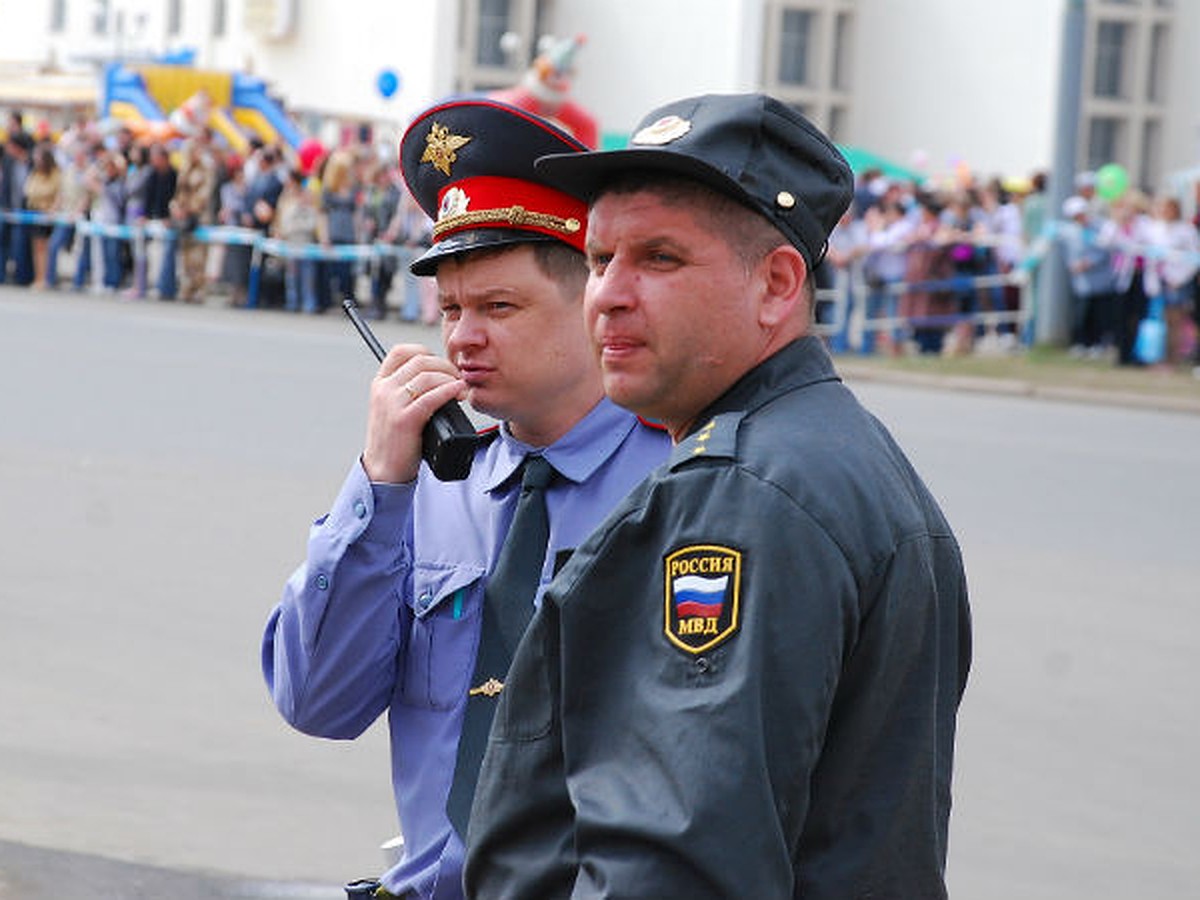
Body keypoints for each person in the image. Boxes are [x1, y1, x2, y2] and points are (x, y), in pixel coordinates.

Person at [464, 93, 973, 899]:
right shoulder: (833, 454)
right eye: (600, 260)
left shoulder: (739, 496)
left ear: (776, 284)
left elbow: (674, 866)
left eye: (659, 259)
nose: (609, 295)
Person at [261, 98, 671, 900]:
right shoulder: (423, 481)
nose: (461, 339)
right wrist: (376, 487)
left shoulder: (680, 479)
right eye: (450, 308)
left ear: (592, 302)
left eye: (498, 308)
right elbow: (318, 702)